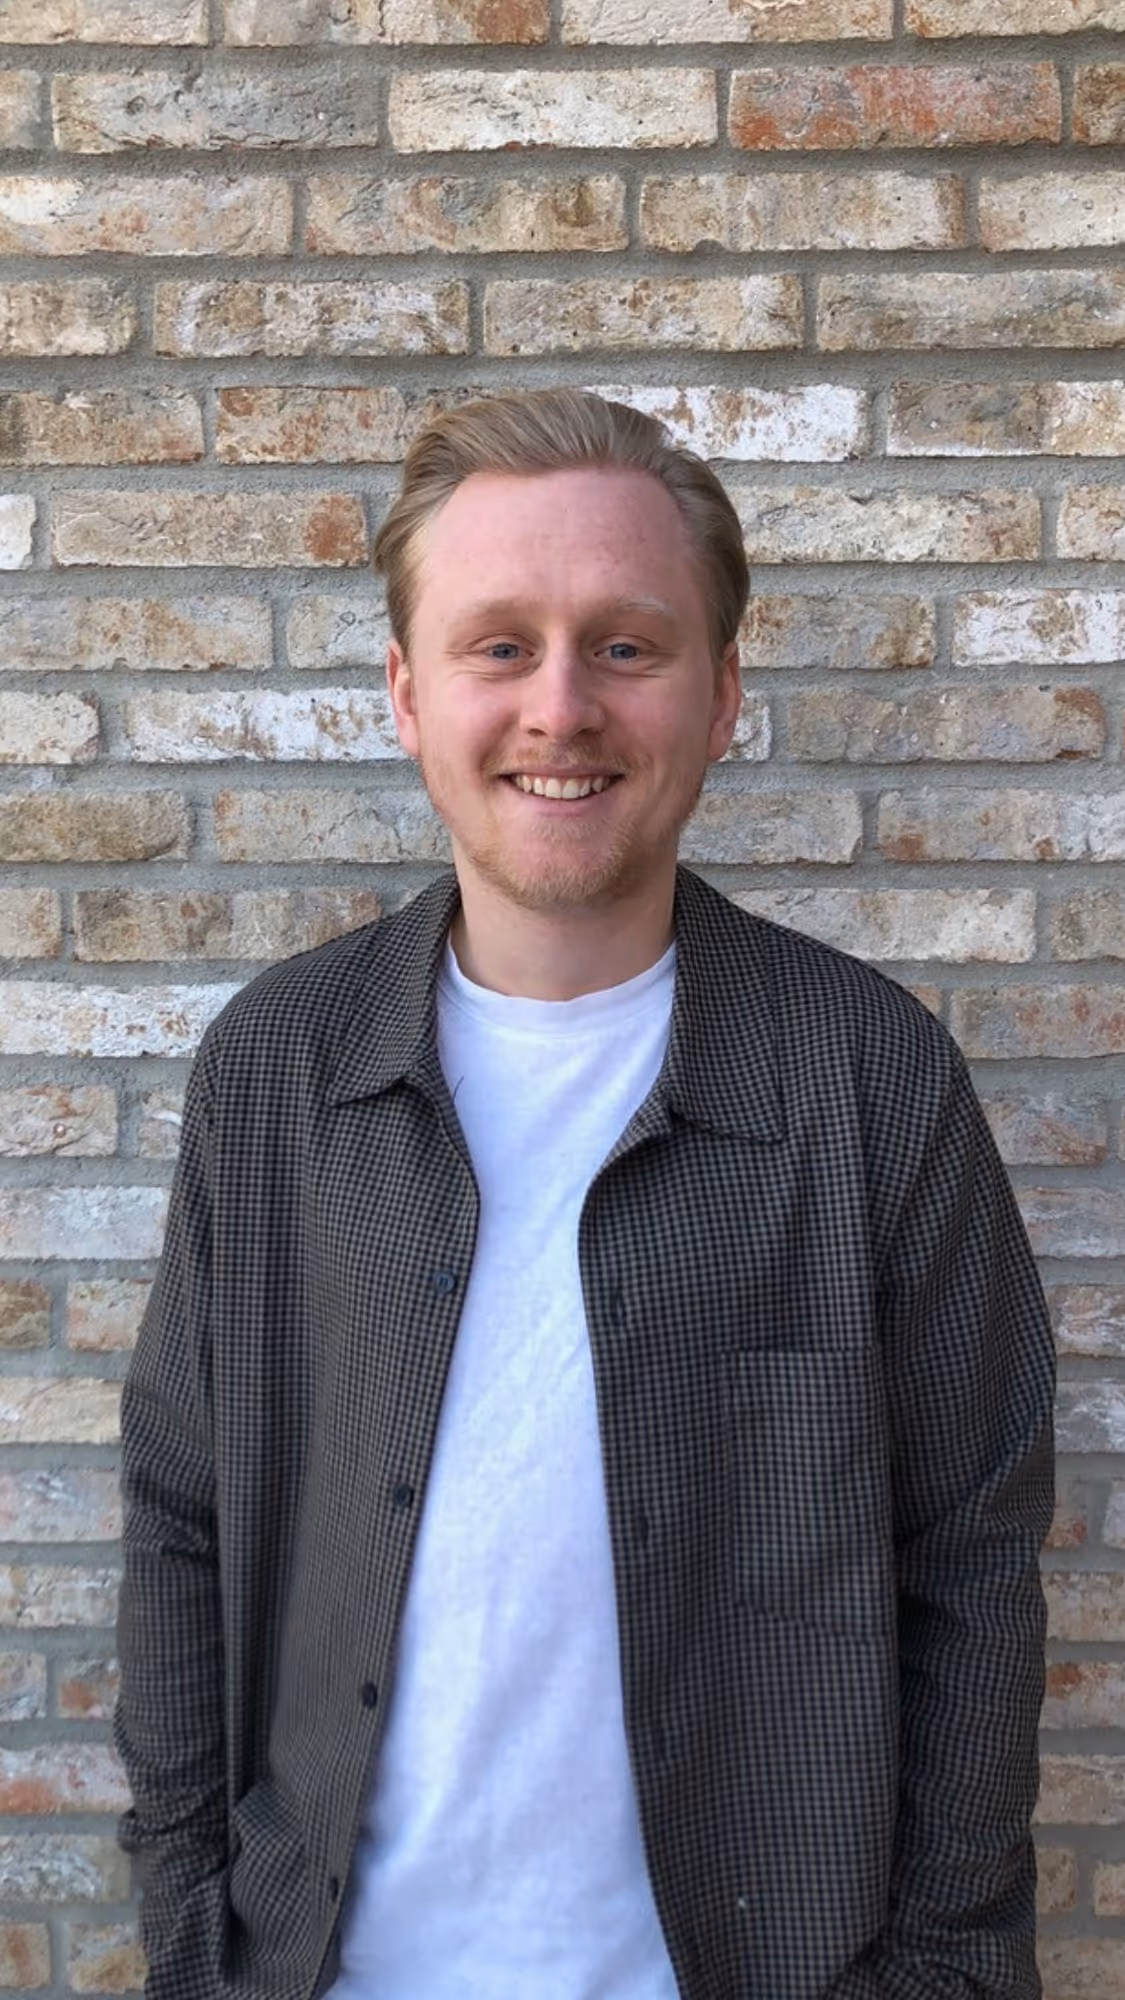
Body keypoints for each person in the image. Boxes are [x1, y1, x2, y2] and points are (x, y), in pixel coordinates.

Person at [115, 388, 1055, 2000]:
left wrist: (943, 1976)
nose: (562, 707)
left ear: (722, 691)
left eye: (626, 645)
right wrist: (200, 1930)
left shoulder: (868, 1082)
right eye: (500, 647)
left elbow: (970, 1566)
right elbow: (183, 1517)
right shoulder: (278, 1073)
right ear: (407, 695)